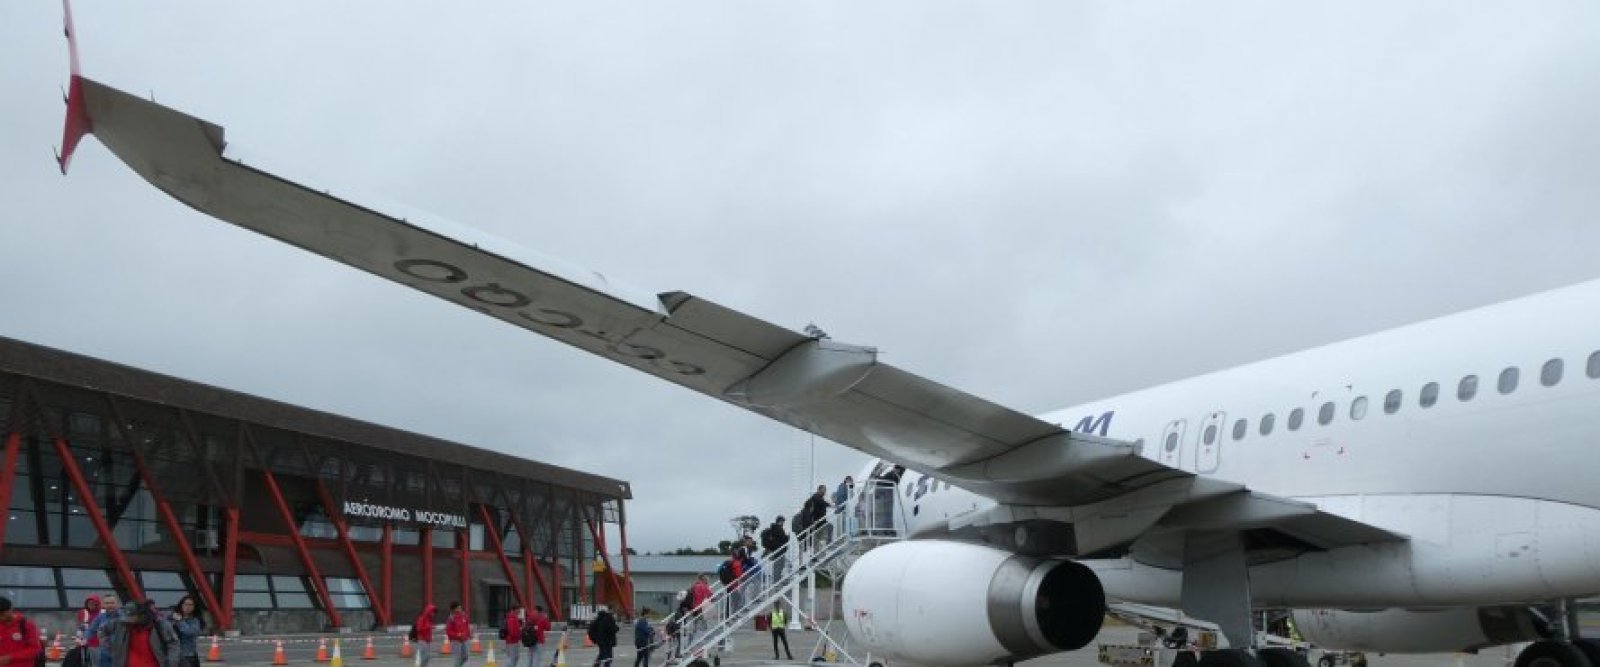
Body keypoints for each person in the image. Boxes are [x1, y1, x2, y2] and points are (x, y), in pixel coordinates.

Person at [104, 599, 179, 667]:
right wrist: (112, 648)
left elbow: (173, 644)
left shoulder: (159, 624)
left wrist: (172, 662)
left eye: (131, 617)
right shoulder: (122, 624)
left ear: (141, 615)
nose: (128, 620)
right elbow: (102, 630)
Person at [0, 596, 44, 667]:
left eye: (1, 614)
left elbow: (35, 649)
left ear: (10, 610)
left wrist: (10, 658)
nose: (0, 618)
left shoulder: (26, 625)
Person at [167, 596, 204, 667]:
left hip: (188, 655)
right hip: (173, 655)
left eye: (190, 605)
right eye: (186, 604)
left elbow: (190, 632)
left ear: (194, 607)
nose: (188, 607)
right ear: (181, 605)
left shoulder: (195, 620)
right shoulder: (172, 617)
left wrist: (180, 621)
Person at [88, 594, 121, 667]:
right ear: (103, 605)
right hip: (105, 654)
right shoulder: (100, 618)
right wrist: (84, 639)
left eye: (112, 603)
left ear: (117, 603)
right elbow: (91, 630)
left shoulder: (124, 617)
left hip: (121, 654)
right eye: (107, 603)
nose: (110, 605)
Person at [77, 596, 102, 667]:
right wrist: (79, 639)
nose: (90, 605)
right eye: (89, 603)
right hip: (86, 642)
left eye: (93, 603)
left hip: (99, 642)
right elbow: (80, 627)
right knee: (87, 662)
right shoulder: (83, 613)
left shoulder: (102, 613)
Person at [445, 602, 471, 667]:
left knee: (466, 657)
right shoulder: (451, 618)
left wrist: (468, 634)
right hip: (455, 641)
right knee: (457, 658)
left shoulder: (464, 616)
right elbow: (448, 631)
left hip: (465, 640)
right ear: (454, 609)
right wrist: (457, 635)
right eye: (458, 607)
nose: (460, 608)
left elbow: (467, 626)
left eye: (460, 607)